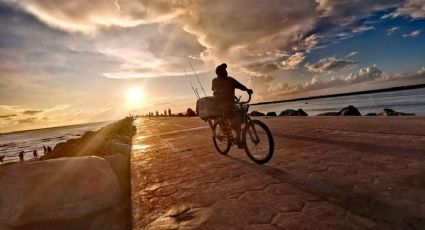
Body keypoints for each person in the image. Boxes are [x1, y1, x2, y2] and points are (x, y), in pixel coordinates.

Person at [212, 63, 253, 148]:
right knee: (234, 115)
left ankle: (237, 139)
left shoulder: (230, 80)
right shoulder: (215, 81)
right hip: (221, 105)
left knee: (238, 121)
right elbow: (216, 89)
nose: (226, 72)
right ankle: (229, 129)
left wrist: (247, 90)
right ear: (218, 74)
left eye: (226, 70)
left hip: (231, 104)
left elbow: (239, 85)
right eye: (223, 71)